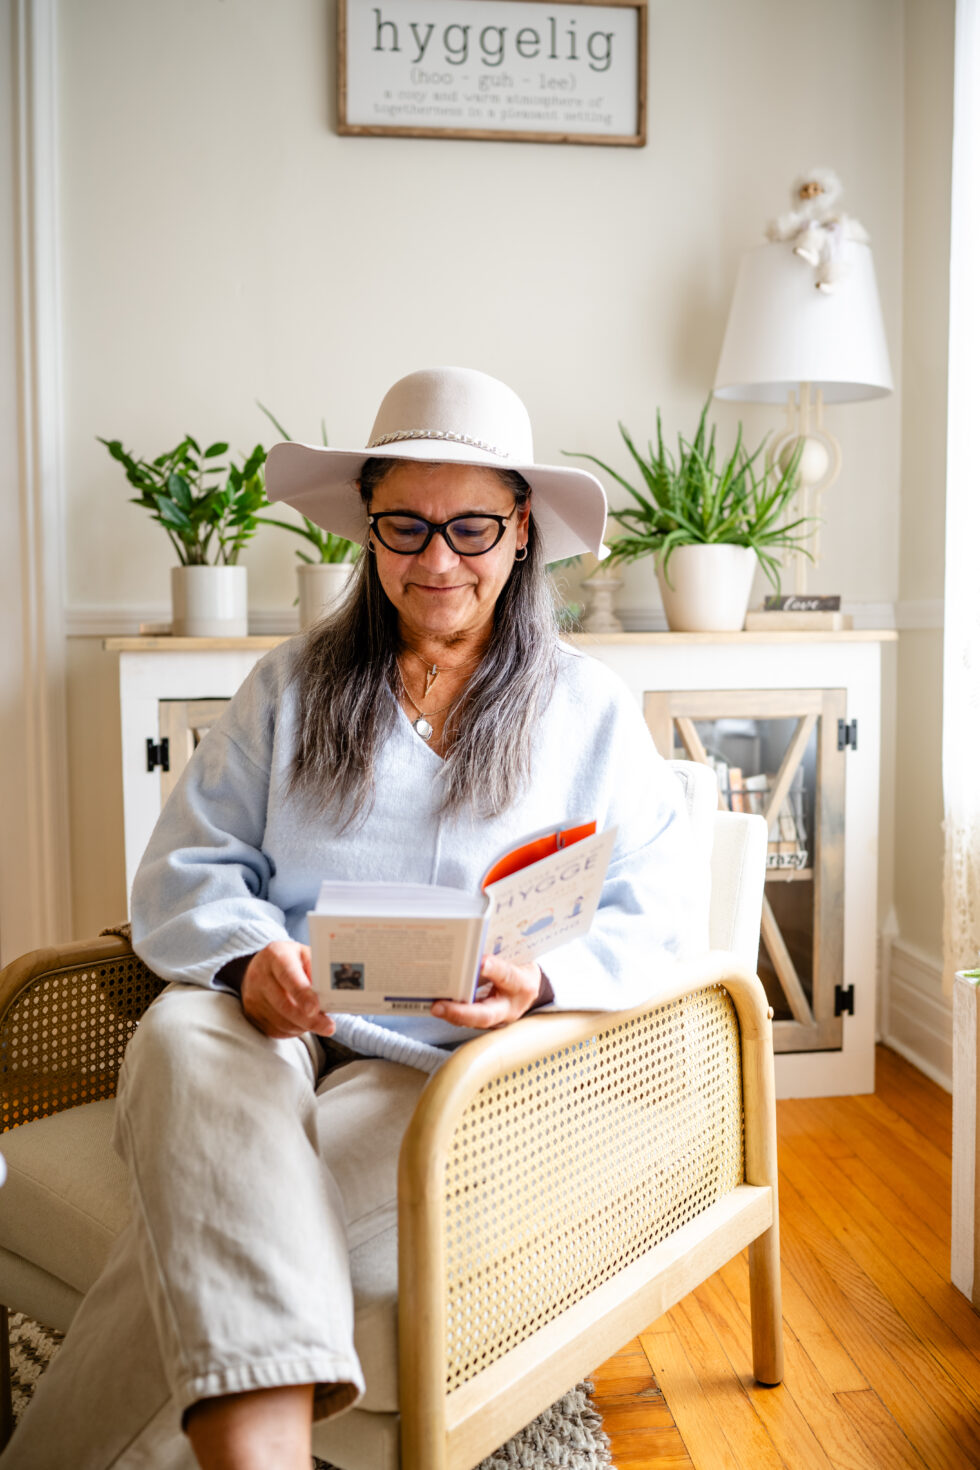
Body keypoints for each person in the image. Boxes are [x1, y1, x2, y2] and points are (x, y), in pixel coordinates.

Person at [5, 367, 704, 1470]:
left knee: (226, 1206)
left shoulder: (590, 711)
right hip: (270, 1023)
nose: (437, 560)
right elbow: (184, 868)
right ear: (368, 529)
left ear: (522, 529)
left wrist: (540, 984)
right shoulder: (287, 685)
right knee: (180, 1037)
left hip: (439, 1068)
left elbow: (660, 909)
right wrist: (249, 960)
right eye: (405, 525)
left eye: (471, 527)